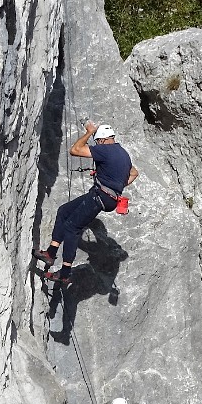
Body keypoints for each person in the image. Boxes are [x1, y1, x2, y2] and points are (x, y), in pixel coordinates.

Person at [32, 121, 138, 285]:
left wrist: (89, 132)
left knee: (72, 227)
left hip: (101, 196)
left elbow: (75, 150)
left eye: (97, 141)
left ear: (101, 140)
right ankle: (51, 253)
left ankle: (65, 273)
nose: (97, 145)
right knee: (64, 211)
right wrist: (114, 183)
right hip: (108, 197)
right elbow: (134, 173)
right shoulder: (123, 154)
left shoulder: (105, 149)